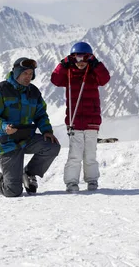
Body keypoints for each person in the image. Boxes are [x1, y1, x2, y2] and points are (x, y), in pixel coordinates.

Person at [0, 57, 60, 197]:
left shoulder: (33, 92)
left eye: (30, 74)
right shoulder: (0, 90)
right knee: (12, 191)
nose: (28, 77)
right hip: (7, 142)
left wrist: (47, 131)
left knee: (52, 145)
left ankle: (28, 173)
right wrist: (5, 127)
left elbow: (40, 114)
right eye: (25, 73)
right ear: (17, 73)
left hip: (26, 138)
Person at [51, 42, 111, 192]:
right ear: (72, 58)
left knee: (90, 154)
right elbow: (55, 80)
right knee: (75, 155)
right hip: (74, 121)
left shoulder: (93, 72)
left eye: (85, 58)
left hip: (92, 121)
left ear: (90, 58)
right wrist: (62, 64)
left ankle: (92, 181)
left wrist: (97, 64)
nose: (81, 62)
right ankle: (71, 183)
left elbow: (105, 79)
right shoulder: (69, 73)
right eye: (77, 58)